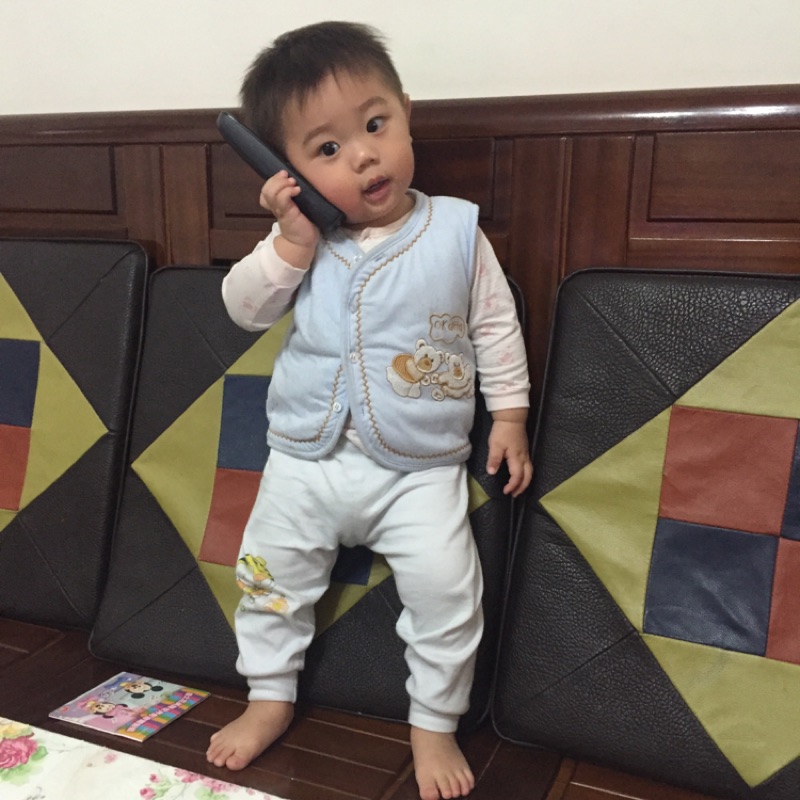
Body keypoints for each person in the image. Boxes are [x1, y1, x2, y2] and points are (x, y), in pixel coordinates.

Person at [206, 21, 533, 800]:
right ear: (288, 173)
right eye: (327, 148)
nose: (362, 156)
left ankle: (434, 722)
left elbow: (495, 326)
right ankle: (268, 695)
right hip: (304, 462)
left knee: (449, 594)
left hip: (419, 469)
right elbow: (242, 310)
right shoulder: (300, 242)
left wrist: (510, 417)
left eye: (376, 125)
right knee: (268, 580)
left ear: (406, 113)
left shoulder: (457, 232)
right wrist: (289, 239)